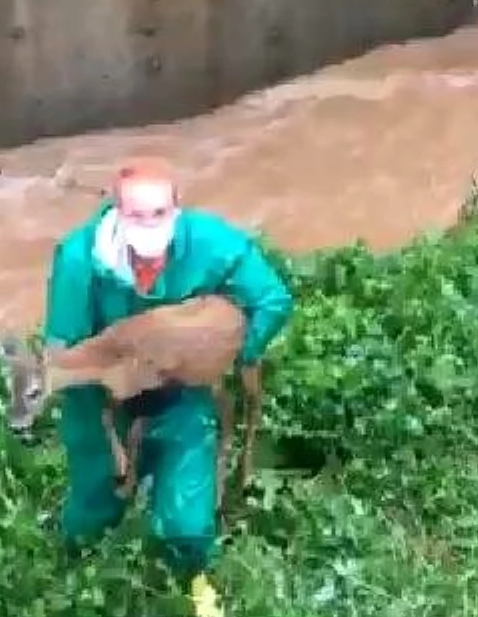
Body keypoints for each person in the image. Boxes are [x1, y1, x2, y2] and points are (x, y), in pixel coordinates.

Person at [42, 157, 293, 589]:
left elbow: (272, 298)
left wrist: (227, 354)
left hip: (182, 395)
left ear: (176, 208)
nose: (149, 223)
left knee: (187, 521)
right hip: (105, 402)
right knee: (93, 505)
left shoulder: (209, 242)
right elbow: (64, 351)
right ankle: (75, 579)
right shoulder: (80, 260)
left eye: (159, 213)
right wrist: (103, 399)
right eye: (137, 214)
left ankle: (193, 581)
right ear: (118, 212)